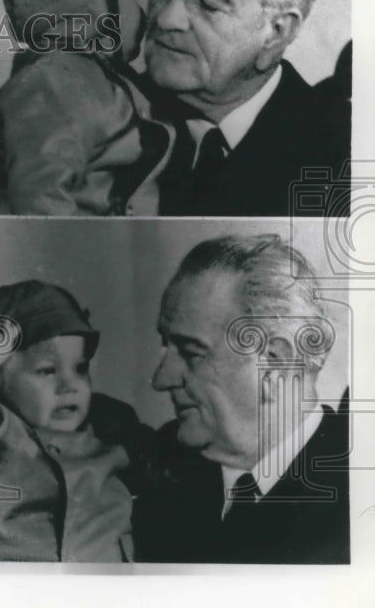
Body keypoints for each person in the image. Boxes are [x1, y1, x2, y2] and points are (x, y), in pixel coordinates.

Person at [135, 234, 349, 563]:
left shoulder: (357, 492)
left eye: (191, 353)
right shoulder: (160, 471)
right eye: (166, 346)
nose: (161, 379)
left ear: (275, 362)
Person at [0, 281, 155, 562]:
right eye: (47, 371)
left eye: (81, 368)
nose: (69, 385)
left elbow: (173, 466)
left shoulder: (113, 430)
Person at [145, 0, 351, 217]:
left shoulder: (344, 157)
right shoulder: (104, 111)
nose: (167, 17)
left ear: (276, 33)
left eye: (209, 4)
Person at [0, 0, 174, 216]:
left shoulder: (94, 78)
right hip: (72, 253)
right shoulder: (56, 83)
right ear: (94, 10)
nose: (140, 7)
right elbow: (39, 194)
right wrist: (68, 257)